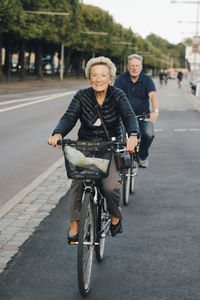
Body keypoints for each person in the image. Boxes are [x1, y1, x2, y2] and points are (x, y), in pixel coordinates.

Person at [48, 56, 139, 242]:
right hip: (86, 146)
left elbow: (129, 116)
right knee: (77, 182)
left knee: (110, 186)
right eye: (94, 75)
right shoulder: (82, 96)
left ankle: (115, 216)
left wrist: (133, 135)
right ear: (89, 78)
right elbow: (69, 117)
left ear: (110, 78)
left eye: (103, 75)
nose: (99, 79)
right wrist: (58, 134)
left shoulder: (118, 95)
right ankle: (74, 223)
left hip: (111, 147)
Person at [114, 54, 159, 168]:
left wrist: (155, 111)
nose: (134, 68)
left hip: (143, 116)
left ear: (141, 67)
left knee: (148, 134)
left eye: (137, 66)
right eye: (132, 65)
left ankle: (142, 156)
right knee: (120, 138)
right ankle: (122, 161)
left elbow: (153, 96)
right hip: (124, 116)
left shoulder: (147, 79)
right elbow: (115, 97)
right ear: (128, 67)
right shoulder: (120, 79)